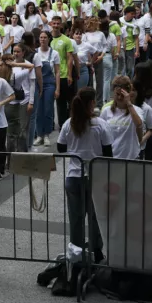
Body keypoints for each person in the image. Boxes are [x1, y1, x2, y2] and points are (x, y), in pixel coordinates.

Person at [56, 87, 111, 259]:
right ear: (92, 103)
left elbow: (60, 147)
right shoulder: (99, 124)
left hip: (73, 176)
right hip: (95, 176)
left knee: (76, 218)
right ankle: (96, 251)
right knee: (95, 217)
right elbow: (108, 151)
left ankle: (77, 252)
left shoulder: (69, 123)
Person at [99, 76, 144, 160]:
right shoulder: (106, 111)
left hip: (131, 158)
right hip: (111, 157)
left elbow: (139, 124)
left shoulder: (137, 110)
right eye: (117, 94)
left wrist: (129, 103)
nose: (119, 97)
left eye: (122, 95)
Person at [33, 30, 60, 146]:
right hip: (37, 84)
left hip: (49, 84)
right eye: (41, 37)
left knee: (48, 109)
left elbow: (57, 72)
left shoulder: (54, 54)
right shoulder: (35, 53)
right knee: (38, 110)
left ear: (49, 39)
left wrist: (57, 88)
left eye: (45, 37)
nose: (42, 39)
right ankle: (39, 135)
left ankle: (47, 135)